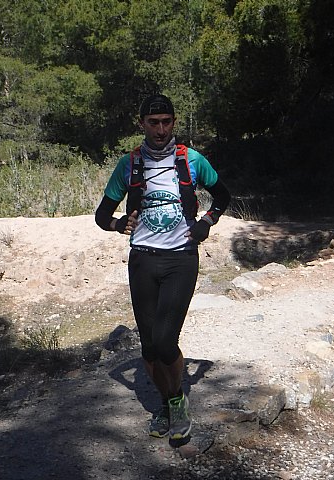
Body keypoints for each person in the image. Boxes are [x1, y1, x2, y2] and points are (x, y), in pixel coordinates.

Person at [95, 94, 231, 441]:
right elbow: (101, 215)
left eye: (166, 122)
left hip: (180, 260)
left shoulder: (192, 160)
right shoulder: (129, 164)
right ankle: (170, 403)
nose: (160, 129)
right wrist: (118, 223)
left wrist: (207, 222)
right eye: (153, 122)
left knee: (166, 341)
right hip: (142, 259)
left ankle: (177, 403)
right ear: (142, 123)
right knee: (149, 348)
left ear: (174, 123)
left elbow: (223, 196)